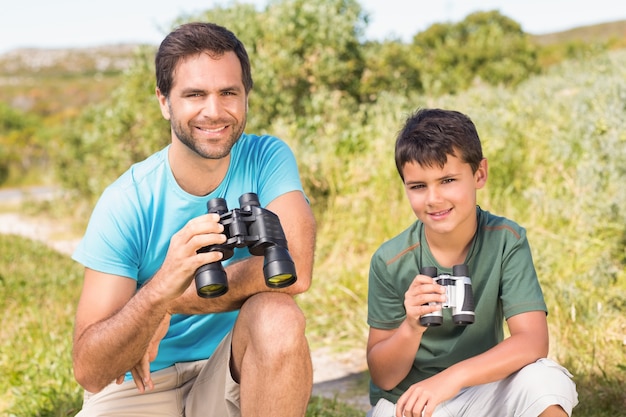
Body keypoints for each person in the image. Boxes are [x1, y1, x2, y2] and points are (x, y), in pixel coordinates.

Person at [71, 22, 316, 417]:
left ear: (246, 97)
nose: (214, 111)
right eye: (195, 94)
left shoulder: (267, 158)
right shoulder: (127, 201)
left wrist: (170, 304)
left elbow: (296, 269)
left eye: (229, 93)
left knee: (278, 315)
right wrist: (157, 290)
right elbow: (90, 370)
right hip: (142, 381)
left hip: (229, 372)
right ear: (164, 101)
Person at [365, 108, 578, 417]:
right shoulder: (390, 260)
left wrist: (451, 378)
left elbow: (532, 341)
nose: (434, 198)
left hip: (480, 388)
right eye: (418, 186)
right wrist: (411, 326)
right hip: (410, 402)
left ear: (479, 174)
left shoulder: (506, 240)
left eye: (448, 180)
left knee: (543, 378)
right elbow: (383, 376)